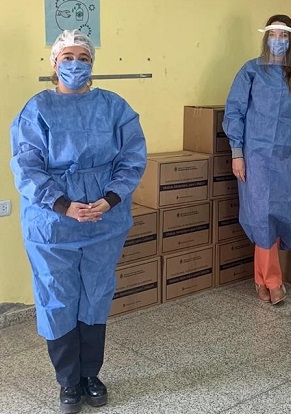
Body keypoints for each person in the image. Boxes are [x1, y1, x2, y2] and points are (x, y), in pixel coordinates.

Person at [9, 30, 147, 413]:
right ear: (54, 64)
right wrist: (63, 204)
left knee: (96, 295)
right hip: (52, 224)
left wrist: (110, 199)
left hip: (104, 219)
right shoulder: (36, 110)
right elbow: (27, 167)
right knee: (58, 297)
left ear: (92, 65)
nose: (75, 64)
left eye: (83, 58)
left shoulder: (114, 107)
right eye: (67, 57)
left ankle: (90, 374)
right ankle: (69, 381)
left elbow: (132, 157)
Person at [223, 15, 291, 305]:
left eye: (284, 36)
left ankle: (261, 280)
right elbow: (234, 113)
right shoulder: (251, 71)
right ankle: (273, 280)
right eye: (274, 35)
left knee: (284, 215)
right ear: (266, 37)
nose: (278, 41)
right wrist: (237, 153)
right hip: (256, 158)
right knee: (262, 217)